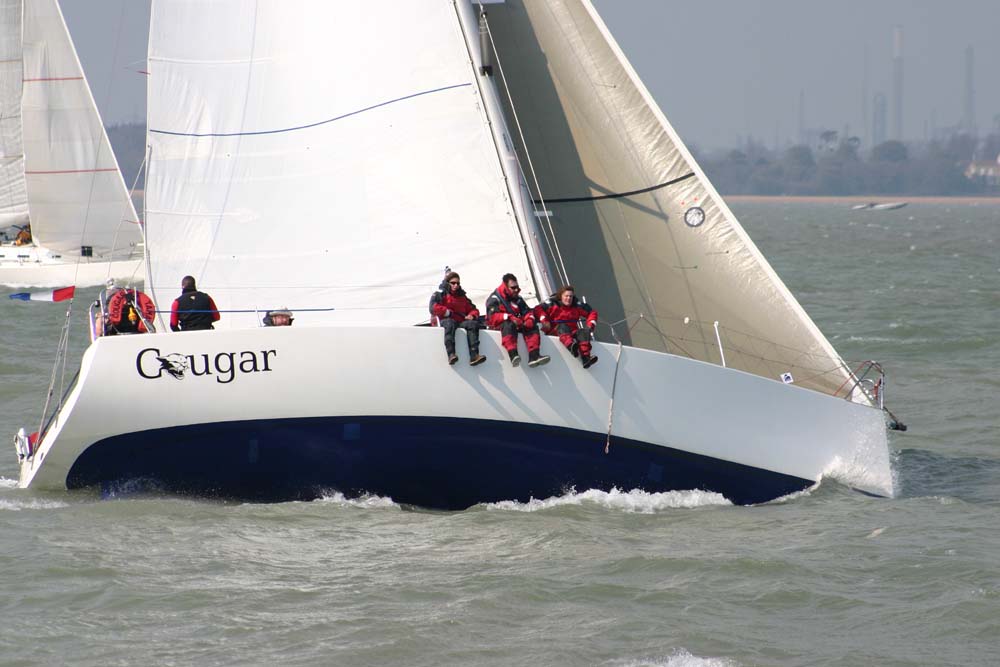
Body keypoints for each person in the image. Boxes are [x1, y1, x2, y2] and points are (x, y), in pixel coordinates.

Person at [486, 273, 549, 368]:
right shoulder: (494, 299)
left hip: (516, 324)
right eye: (513, 287)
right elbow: (492, 318)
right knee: (508, 324)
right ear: (506, 287)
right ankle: (513, 355)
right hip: (501, 327)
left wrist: (529, 319)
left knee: (532, 326)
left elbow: (527, 311)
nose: (516, 290)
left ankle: (534, 356)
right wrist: (509, 317)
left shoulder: (518, 299)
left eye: (517, 287)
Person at [429, 271, 486, 366]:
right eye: (453, 283)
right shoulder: (440, 294)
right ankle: (451, 354)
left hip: (460, 322)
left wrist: (472, 315)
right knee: (449, 323)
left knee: (472, 324)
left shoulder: (463, 297)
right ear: (447, 283)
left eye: (458, 283)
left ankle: (474, 355)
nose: (456, 285)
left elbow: (474, 309)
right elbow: (433, 307)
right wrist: (447, 312)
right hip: (447, 321)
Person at [541, 285, 599, 369]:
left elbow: (592, 313)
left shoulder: (576, 305)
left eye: (570, 296)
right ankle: (571, 346)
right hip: (556, 331)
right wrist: (544, 320)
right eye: (566, 296)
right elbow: (538, 310)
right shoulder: (552, 304)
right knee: (562, 326)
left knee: (583, 332)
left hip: (571, 332)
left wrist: (590, 326)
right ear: (561, 296)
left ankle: (586, 358)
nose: (569, 298)